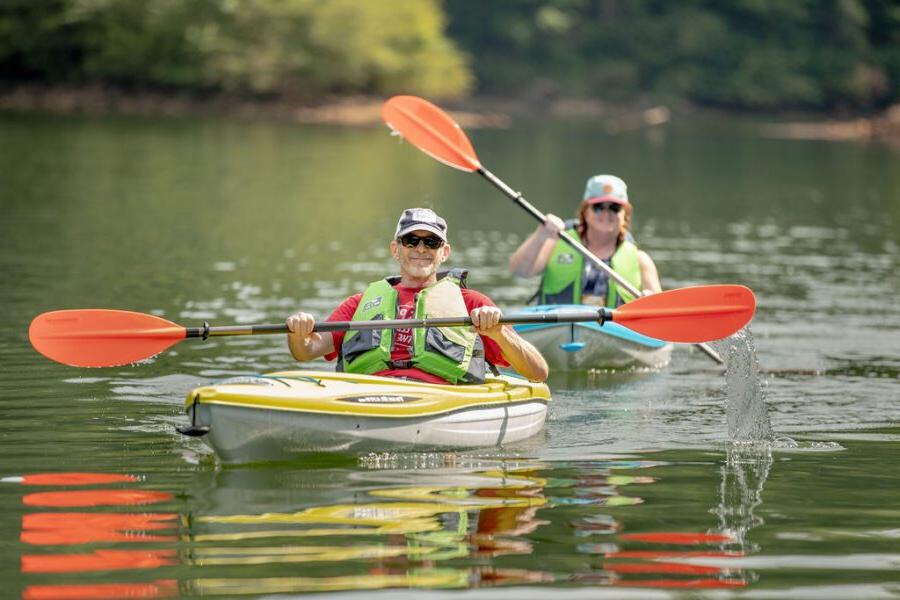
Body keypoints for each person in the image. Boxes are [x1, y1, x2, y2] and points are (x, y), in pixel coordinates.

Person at [286, 208, 549, 383]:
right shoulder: (358, 304)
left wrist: (497, 332)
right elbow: (306, 352)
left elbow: (538, 372)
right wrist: (298, 332)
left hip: (440, 399)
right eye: (411, 240)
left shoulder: (472, 303)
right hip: (369, 396)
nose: (420, 249)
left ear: (444, 252)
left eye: (431, 242)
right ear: (395, 249)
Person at [508, 174, 661, 307]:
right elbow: (519, 271)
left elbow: (661, 314)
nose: (606, 213)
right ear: (585, 212)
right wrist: (541, 234)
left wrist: (651, 302)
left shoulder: (641, 260)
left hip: (618, 334)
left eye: (614, 207)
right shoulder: (555, 244)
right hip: (558, 329)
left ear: (625, 215)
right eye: (598, 207)